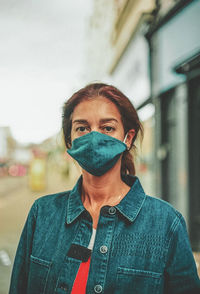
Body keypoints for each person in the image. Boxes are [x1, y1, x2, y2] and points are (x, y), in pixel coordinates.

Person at [9, 83, 200, 294]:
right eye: (82, 128)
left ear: (127, 138)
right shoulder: (42, 213)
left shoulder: (166, 224)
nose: (94, 138)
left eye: (107, 128)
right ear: (70, 141)